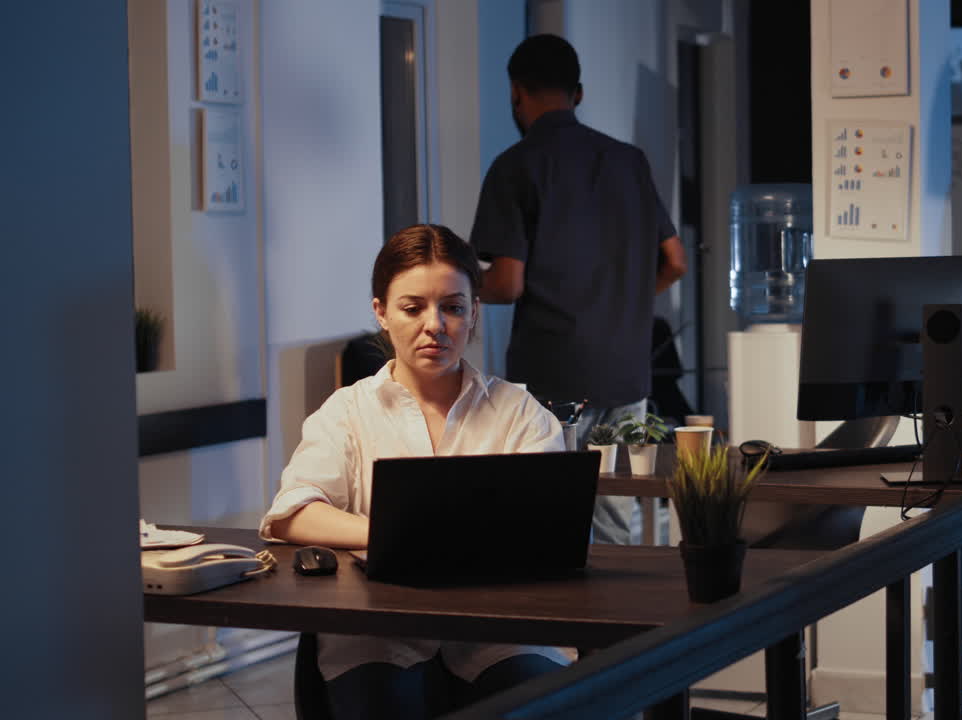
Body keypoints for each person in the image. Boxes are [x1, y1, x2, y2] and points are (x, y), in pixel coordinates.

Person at [259, 224, 568, 719]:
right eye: (412, 307)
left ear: (474, 314)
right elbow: (292, 513)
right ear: (380, 312)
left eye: (453, 307)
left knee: (541, 704)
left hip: (501, 632)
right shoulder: (346, 412)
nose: (435, 325)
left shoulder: (520, 412)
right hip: (376, 633)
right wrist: (396, 533)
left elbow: (551, 522)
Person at [470, 34, 687, 545]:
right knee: (612, 524)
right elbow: (675, 261)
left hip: (553, 377)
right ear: (579, 93)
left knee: (548, 521)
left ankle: (559, 626)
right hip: (627, 376)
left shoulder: (516, 166)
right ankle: (616, 625)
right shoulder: (629, 162)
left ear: (516, 93)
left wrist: (454, 285)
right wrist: (626, 301)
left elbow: (506, 282)